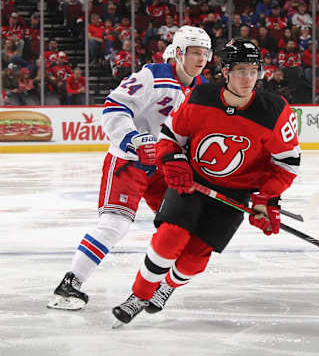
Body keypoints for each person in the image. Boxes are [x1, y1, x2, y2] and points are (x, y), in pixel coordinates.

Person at [111, 38, 301, 325]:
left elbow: (286, 164)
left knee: (195, 257)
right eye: (240, 70)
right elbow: (171, 137)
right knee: (170, 237)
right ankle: (139, 295)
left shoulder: (274, 110)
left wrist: (267, 199)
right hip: (193, 182)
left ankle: (167, 288)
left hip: (235, 193)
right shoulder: (201, 96)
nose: (247, 78)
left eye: (253, 71)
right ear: (225, 71)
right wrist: (173, 160)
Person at [47, 26, 212, 311]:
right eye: (195, 52)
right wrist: (134, 139)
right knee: (115, 224)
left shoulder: (202, 90)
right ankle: (69, 285)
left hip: (165, 167)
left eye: (205, 53)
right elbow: (114, 106)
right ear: (180, 53)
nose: (201, 59)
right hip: (129, 162)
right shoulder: (152, 75)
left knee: (185, 227)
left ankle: (162, 288)